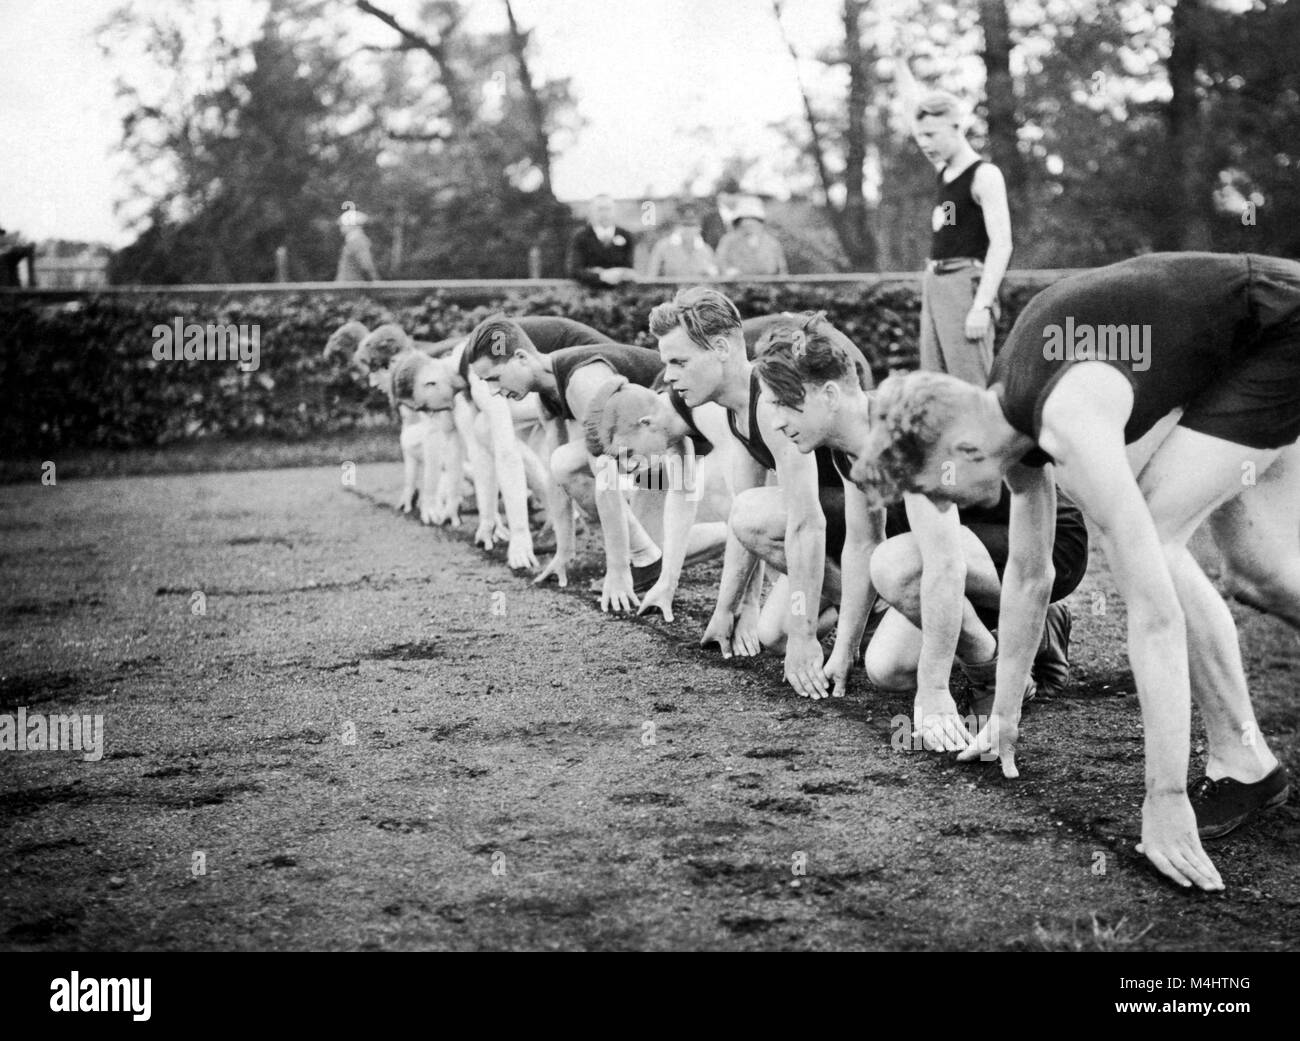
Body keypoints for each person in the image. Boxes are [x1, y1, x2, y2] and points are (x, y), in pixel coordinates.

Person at [853, 251, 1300, 892]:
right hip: (1249, 343)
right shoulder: (1010, 418)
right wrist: (1004, 712)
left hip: (1280, 325)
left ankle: (1240, 761)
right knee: (1263, 575)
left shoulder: (1064, 416)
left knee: (1156, 536)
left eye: (941, 490)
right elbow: (1029, 579)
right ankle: (1249, 761)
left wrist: (1165, 795)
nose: (948, 506)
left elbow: (1153, 617)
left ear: (964, 448)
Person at [751, 321, 1084, 748]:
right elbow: (860, 543)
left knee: (896, 564)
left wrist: (934, 689)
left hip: (1045, 542)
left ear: (829, 395)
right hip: (967, 545)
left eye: (783, 403)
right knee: (886, 669)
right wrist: (844, 649)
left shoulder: (904, 431)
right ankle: (1032, 629)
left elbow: (945, 564)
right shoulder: (843, 445)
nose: (775, 421)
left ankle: (994, 674)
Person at [648, 289, 869, 698]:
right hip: (832, 529)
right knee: (771, 634)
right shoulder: (733, 411)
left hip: (860, 522)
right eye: (666, 364)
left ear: (719, 349)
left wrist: (805, 637)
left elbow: (807, 523)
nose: (671, 377)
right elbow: (741, 533)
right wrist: (726, 609)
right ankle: (861, 609)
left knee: (754, 514)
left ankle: (873, 609)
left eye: (679, 362)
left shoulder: (768, 401)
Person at [460, 330, 667, 612]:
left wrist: (617, 570)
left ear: (521, 358)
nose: (494, 392)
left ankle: (649, 556)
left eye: (494, 378)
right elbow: (557, 481)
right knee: (562, 463)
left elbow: (606, 477)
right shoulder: (548, 395)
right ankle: (647, 556)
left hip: (681, 452)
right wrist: (564, 551)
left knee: (676, 544)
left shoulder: (581, 382)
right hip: (652, 459)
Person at [390, 315, 614, 568]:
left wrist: (519, 533)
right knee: (488, 430)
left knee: (601, 472)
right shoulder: (466, 375)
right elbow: (479, 454)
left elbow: (507, 453)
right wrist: (488, 517)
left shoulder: (477, 375)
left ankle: (630, 548)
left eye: (424, 406)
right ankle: (564, 516)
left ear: (429, 384)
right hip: (574, 383)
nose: (431, 413)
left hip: (601, 375)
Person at [897, 57, 1012, 386]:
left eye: (932, 135)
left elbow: (1002, 245)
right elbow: (911, 107)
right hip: (935, 284)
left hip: (966, 284)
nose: (925, 143)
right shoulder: (944, 171)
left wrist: (982, 305)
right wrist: (899, 62)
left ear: (957, 127)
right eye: (920, 136)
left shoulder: (984, 175)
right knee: (935, 381)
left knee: (971, 383)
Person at [566, 195, 637, 287]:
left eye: (608, 209)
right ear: (591, 212)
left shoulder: (626, 236)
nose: (604, 214)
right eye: (600, 209)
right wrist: (600, 276)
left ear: (615, 211)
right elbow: (574, 270)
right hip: (588, 292)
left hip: (620, 292)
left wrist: (618, 274)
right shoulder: (580, 237)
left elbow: (630, 269)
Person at [716, 197, 788, 277]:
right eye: (745, 219)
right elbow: (721, 264)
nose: (748, 223)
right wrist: (728, 272)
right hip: (735, 286)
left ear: (760, 221)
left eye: (753, 219)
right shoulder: (728, 241)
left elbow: (782, 271)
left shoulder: (771, 243)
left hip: (768, 286)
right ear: (739, 222)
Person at [646, 203, 720, 280]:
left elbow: (714, 279)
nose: (688, 230)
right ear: (677, 226)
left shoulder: (706, 250)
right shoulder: (662, 247)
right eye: (684, 225)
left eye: (693, 225)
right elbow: (651, 277)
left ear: (699, 228)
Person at [335, 206, 379, 282]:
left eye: (343, 225)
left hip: (352, 288)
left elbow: (366, 264)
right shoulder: (353, 241)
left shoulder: (358, 241)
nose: (341, 227)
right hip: (347, 287)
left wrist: (375, 282)